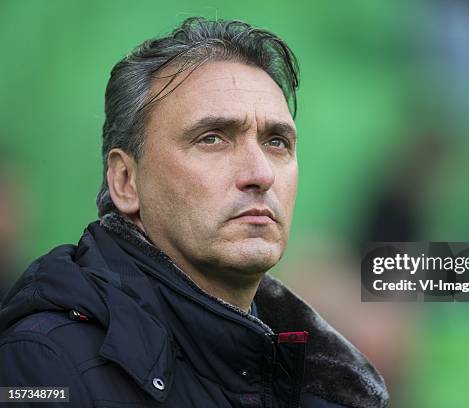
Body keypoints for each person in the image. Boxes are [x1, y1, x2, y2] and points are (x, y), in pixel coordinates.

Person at [0, 17, 388, 407]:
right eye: (212, 138)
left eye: (277, 142)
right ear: (125, 181)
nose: (260, 174)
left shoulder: (327, 387)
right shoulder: (43, 366)